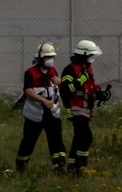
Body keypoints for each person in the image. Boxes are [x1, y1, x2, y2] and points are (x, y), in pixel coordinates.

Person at [59, 40, 112, 176]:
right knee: (86, 137)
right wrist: (80, 80)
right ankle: (81, 167)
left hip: (85, 109)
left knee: (79, 137)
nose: (92, 58)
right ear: (83, 55)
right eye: (90, 55)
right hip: (75, 109)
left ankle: (72, 166)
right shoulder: (70, 69)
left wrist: (100, 94)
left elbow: (89, 87)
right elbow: (65, 90)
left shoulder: (87, 68)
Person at [16, 41, 66, 174]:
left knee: (56, 140)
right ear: (40, 58)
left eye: (52, 57)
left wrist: (60, 82)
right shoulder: (30, 73)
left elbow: (56, 89)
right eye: (48, 57)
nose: (51, 60)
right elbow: (28, 91)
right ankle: (21, 166)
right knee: (29, 141)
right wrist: (43, 100)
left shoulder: (53, 71)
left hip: (52, 113)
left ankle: (59, 165)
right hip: (35, 114)